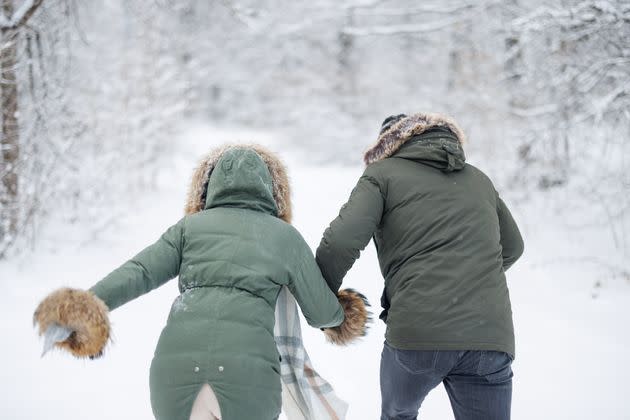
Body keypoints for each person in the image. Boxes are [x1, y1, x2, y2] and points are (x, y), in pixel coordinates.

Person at [34, 144, 370, 420]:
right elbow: (322, 314)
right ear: (273, 190)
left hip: (174, 373)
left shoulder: (188, 229)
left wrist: (83, 308)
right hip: (247, 377)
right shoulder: (284, 237)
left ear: (207, 188)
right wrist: (344, 314)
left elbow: (139, 271)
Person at [316, 113, 524, 420]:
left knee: (397, 414)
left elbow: (341, 241)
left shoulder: (381, 174)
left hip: (417, 332)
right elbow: (513, 247)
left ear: (387, 145)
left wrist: (320, 300)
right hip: (489, 338)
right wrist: (469, 277)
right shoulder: (478, 179)